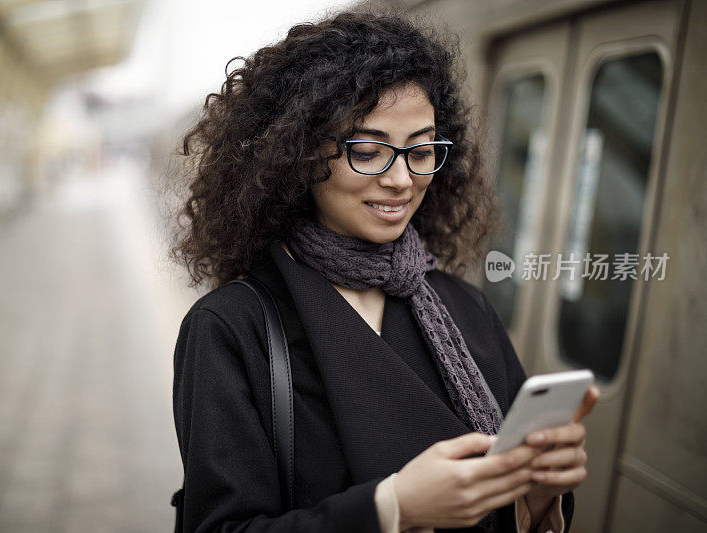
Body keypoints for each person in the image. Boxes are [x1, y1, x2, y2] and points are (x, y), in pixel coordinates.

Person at [169, 10, 599, 533]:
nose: (401, 179)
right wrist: (393, 508)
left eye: (421, 151)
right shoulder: (232, 327)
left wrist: (538, 491)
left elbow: (510, 515)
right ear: (300, 156)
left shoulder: (462, 305)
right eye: (369, 151)